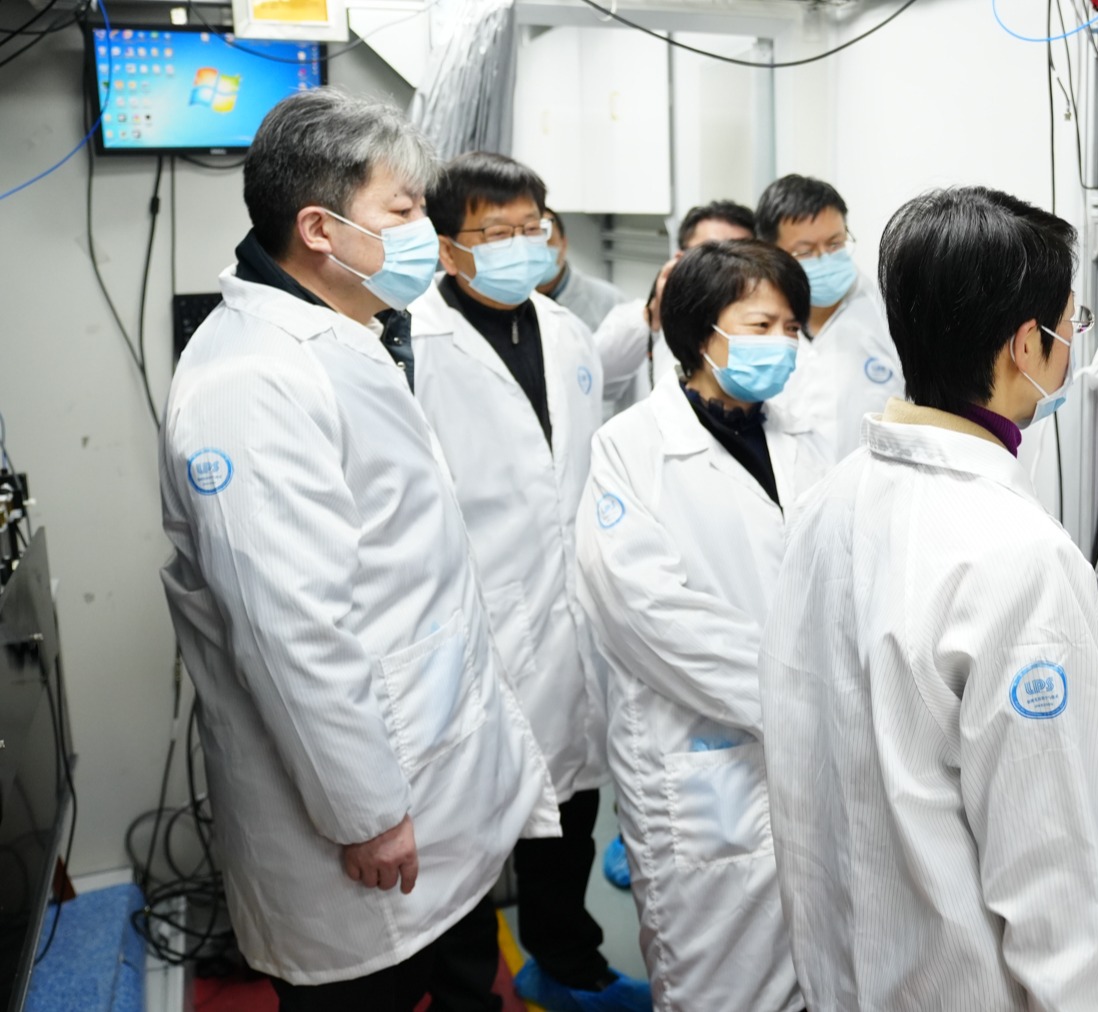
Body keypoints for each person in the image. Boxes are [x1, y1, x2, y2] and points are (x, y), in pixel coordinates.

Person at [156, 88, 561, 1011]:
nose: (424, 230)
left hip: (433, 775)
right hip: (364, 822)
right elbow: (290, 632)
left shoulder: (349, 331)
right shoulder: (250, 380)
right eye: (405, 209)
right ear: (319, 229)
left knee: (462, 980)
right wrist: (366, 813)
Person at [758, 187, 1098, 1012]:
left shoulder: (832, 498)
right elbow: (1055, 866)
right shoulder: (1018, 556)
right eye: (1069, 325)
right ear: (1024, 346)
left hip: (841, 974)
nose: (1071, 344)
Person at [406, 152, 648, 1012]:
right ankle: (470, 992)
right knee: (467, 833)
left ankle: (567, 961)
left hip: (568, 621)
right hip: (466, 628)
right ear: (447, 248)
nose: (520, 245)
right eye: (495, 231)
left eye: (531, 228)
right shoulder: (409, 347)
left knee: (571, 813)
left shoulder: (568, 333)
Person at [574, 239, 823, 1012]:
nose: (782, 344)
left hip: (810, 749)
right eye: (761, 325)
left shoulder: (804, 437)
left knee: (820, 963)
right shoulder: (631, 449)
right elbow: (648, 615)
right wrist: (797, 696)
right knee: (718, 981)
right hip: (701, 757)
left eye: (792, 327)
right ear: (699, 331)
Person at [755, 175, 903, 460]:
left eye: (835, 244)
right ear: (771, 252)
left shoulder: (889, 314)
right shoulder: (751, 324)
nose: (824, 258)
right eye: (805, 251)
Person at [595, 200, 756, 419]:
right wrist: (655, 314)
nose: (726, 269)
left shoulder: (767, 329)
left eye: (740, 257)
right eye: (711, 254)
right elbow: (596, 378)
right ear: (680, 260)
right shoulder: (634, 318)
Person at [539, 208, 625, 332]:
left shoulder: (610, 301)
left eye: (545, 239)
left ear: (564, 244)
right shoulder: (512, 303)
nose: (537, 251)